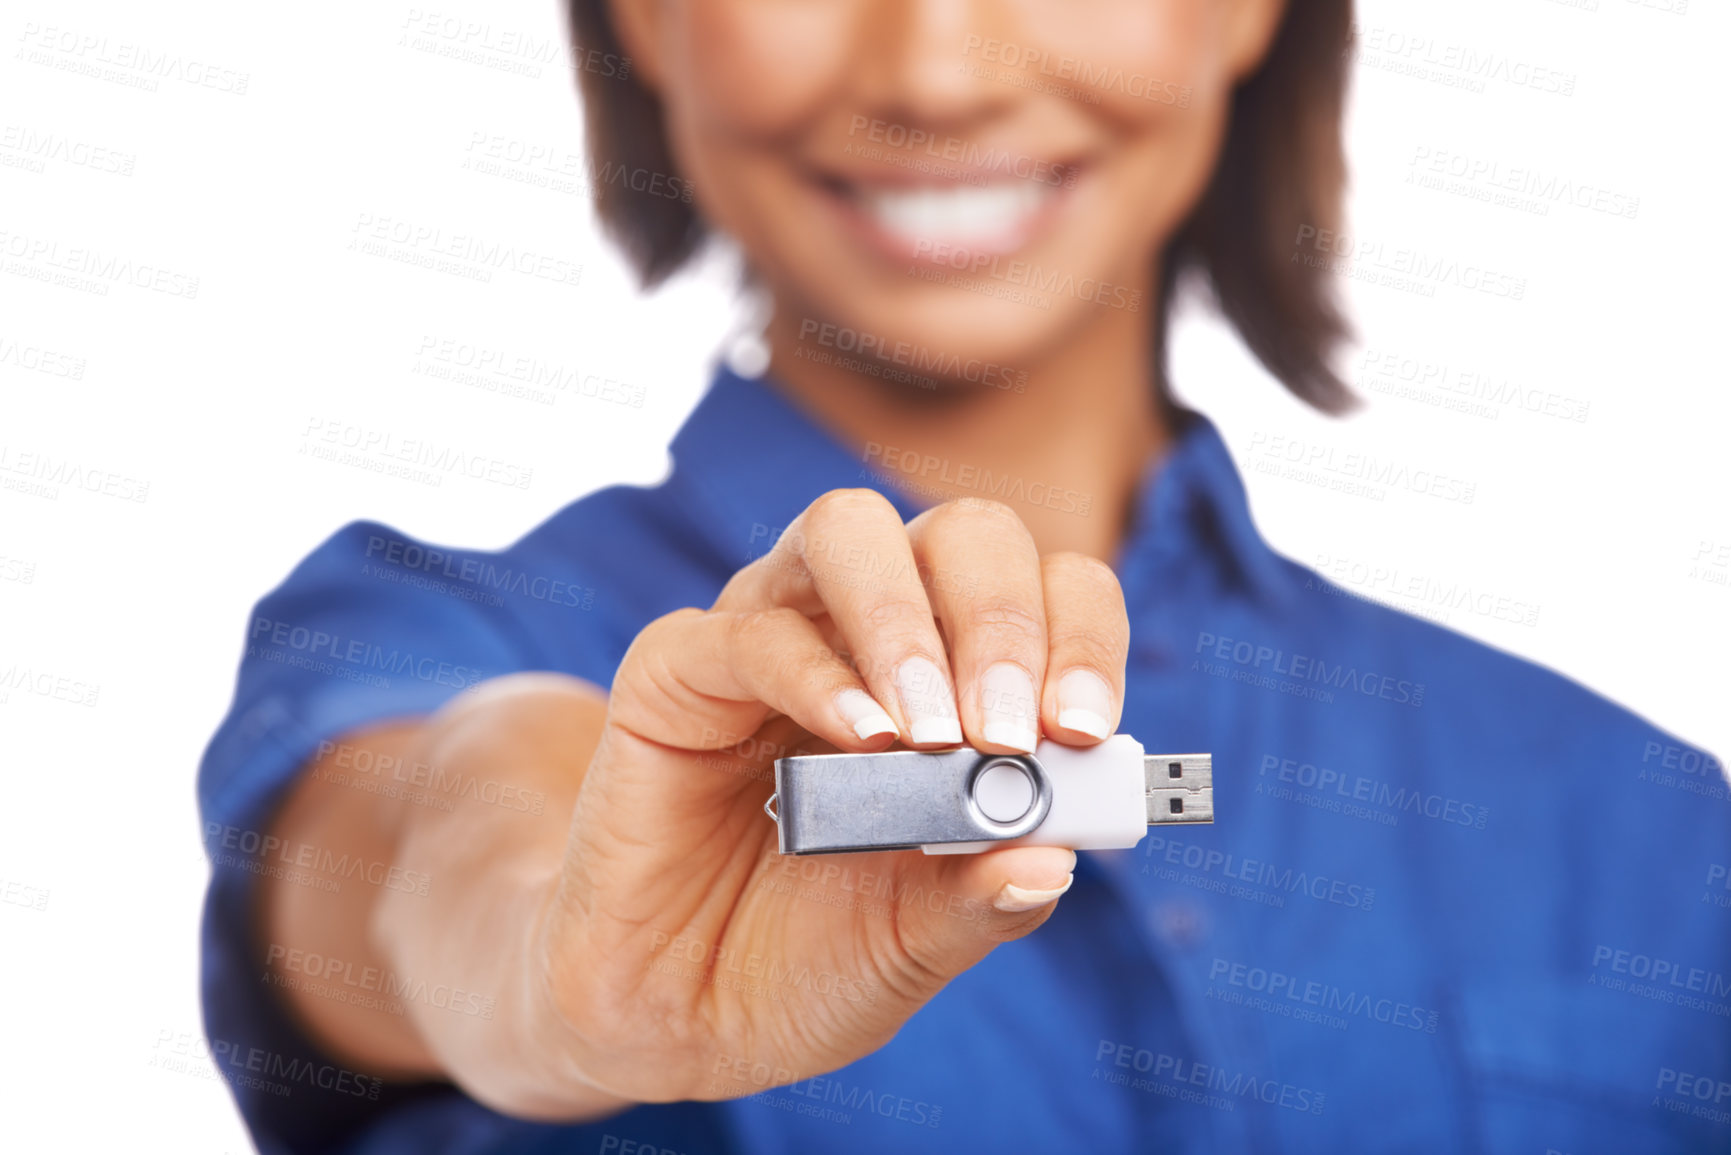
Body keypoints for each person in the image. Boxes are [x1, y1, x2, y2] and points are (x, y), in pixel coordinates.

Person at [197, 1, 1729, 1151]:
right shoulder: (425, 637)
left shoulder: (1643, 824)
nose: (936, 70)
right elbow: (433, 842)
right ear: (645, 20)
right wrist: (549, 953)